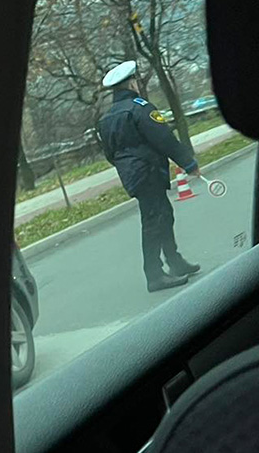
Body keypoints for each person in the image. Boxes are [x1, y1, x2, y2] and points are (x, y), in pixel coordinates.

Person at [97, 60, 202, 293]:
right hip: (148, 170)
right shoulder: (140, 107)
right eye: (135, 81)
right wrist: (189, 163)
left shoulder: (107, 118)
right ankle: (154, 275)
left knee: (163, 215)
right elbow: (163, 138)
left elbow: (110, 154)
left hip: (133, 175)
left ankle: (175, 262)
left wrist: (128, 167)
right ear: (132, 83)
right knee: (154, 221)